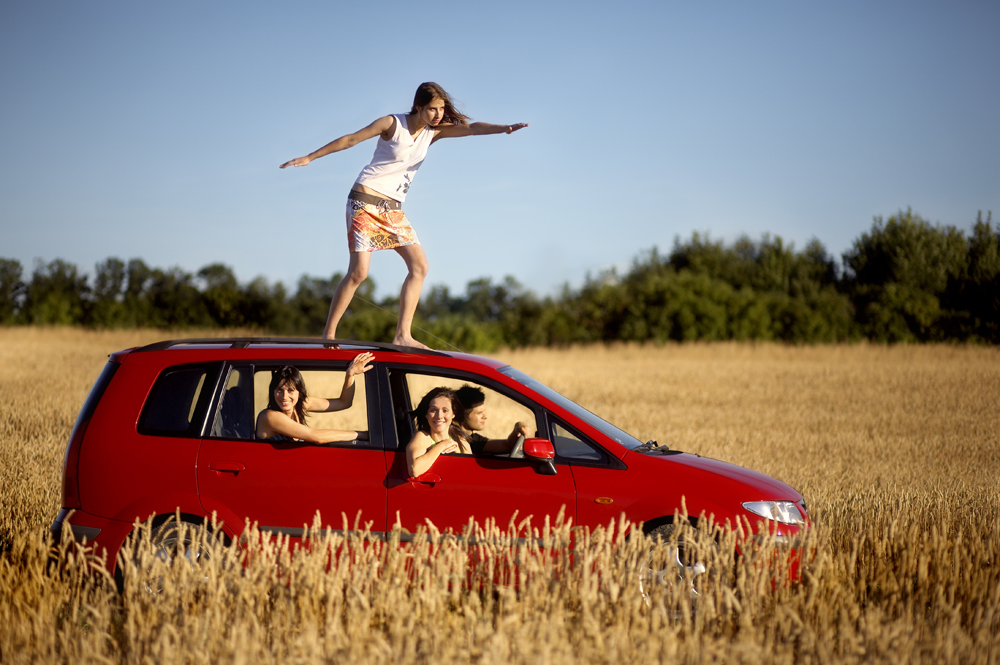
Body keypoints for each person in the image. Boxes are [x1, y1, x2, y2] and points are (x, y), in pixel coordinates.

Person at [280, 82, 528, 349]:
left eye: (441, 109)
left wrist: (503, 129)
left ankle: (403, 334)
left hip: (393, 209)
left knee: (420, 266)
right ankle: (328, 335)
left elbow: (471, 128)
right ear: (418, 107)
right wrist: (310, 157)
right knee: (359, 273)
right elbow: (351, 139)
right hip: (364, 201)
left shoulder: (433, 133)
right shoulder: (391, 123)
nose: (438, 115)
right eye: (432, 109)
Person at [255, 353, 374, 443]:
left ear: (299, 393)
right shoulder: (269, 416)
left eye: (290, 390)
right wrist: (361, 435)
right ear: (273, 391)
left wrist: (350, 374)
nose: (284, 397)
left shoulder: (300, 404)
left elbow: (344, 402)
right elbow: (317, 437)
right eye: (279, 390)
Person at [405, 387, 470, 477]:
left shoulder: (461, 441)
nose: (439, 416)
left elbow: (470, 474)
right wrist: (441, 446)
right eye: (433, 410)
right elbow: (414, 470)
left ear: (453, 414)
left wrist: (458, 457)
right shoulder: (422, 437)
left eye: (445, 410)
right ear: (426, 414)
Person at [454, 384, 531, 455]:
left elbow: (507, 445)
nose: (485, 416)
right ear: (462, 415)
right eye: (479, 413)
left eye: (484, 411)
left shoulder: (474, 440)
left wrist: (518, 427)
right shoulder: (450, 436)